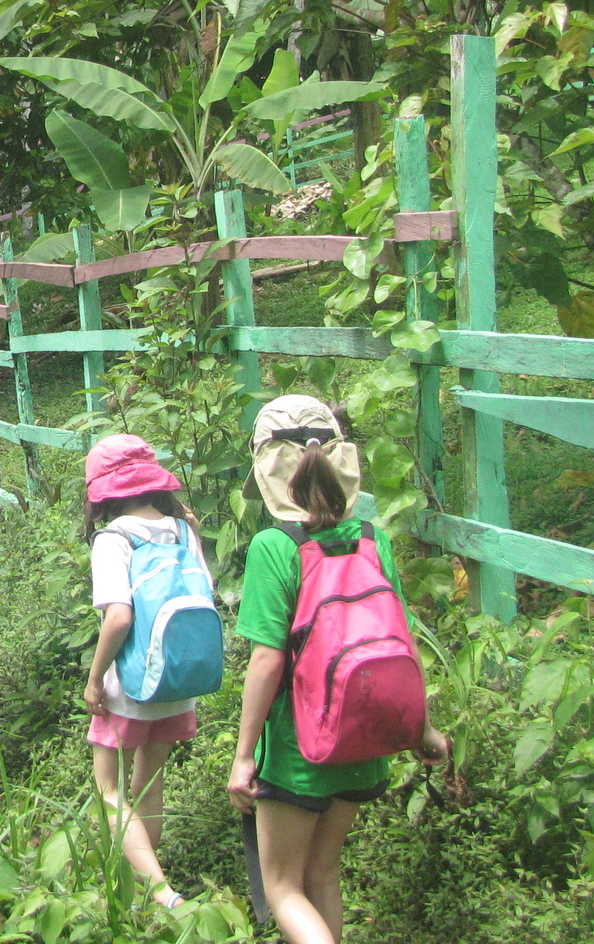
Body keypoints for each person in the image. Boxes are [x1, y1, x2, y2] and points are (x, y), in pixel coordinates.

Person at [228, 395, 450, 944]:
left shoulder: (274, 546)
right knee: (321, 874)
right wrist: (422, 727)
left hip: (298, 749)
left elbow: (267, 659)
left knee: (283, 886)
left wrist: (242, 756)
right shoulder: (372, 539)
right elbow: (402, 636)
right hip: (366, 737)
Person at [81, 433, 207, 911]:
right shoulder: (183, 530)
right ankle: (144, 889)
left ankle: (159, 892)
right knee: (149, 785)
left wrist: (95, 680)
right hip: (178, 682)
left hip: (130, 686)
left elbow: (118, 617)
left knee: (109, 789)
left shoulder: (114, 539)